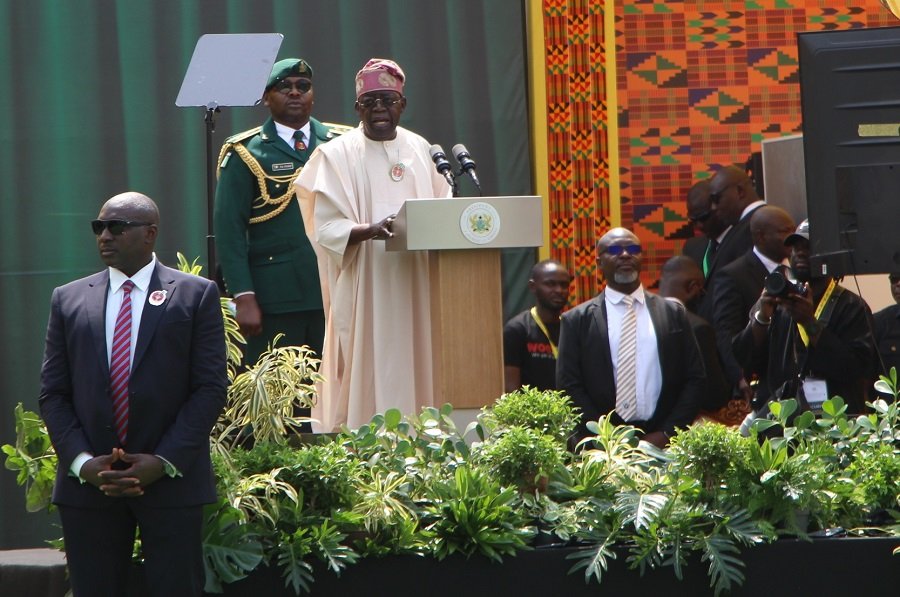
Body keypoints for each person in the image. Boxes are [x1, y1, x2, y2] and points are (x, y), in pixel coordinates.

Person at [39, 192, 227, 596]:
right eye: (99, 227)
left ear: (150, 234)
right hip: (91, 486)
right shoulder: (68, 299)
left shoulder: (196, 295)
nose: (104, 236)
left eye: (117, 227)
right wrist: (85, 464)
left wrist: (163, 461)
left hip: (171, 481)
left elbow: (210, 388)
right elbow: (53, 394)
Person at [295, 58, 451, 431]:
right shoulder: (335, 154)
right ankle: (365, 438)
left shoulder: (422, 150)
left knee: (419, 353)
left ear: (403, 104)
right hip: (366, 280)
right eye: (370, 102)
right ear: (357, 108)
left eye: (387, 100)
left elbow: (445, 206)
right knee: (365, 356)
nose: (379, 108)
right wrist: (367, 230)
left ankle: (425, 435)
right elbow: (324, 225)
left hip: (416, 281)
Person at [214, 58, 348, 365]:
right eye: (284, 87)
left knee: (335, 388)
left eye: (303, 86)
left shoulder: (340, 143)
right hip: (276, 296)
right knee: (282, 392)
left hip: (336, 288)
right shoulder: (246, 151)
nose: (295, 93)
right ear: (266, 97)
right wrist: (243, 295)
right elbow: (229, 231)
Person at [556, 228, 704, 448]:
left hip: (664, 443)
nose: (625, 255)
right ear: (599, 263)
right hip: (602, 447)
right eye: (614, 250)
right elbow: (568, 385)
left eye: (633, 249)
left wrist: (667, 433)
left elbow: (695, 377)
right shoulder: (577, 320)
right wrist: (603, 435)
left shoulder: (672, 313)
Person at [732, 219, 877, 414]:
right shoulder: (778, 304)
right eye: (795, 247)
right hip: (782, 423)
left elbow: (854, 369)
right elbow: (744, 359)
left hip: (836, 422)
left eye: (808, 247)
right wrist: (762, 318)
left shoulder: (852, 306)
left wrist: (809, 322)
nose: (799, 252)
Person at [710, 206, 795, 404]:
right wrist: (740, 377)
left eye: (793, 230)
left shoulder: (797, 271)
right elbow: (725, 332)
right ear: (761, 236)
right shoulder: (733, 275)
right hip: (760, 383)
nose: (792, 237)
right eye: (784, 232)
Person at [658, 256, 730, 412]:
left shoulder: (637, 321)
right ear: (692, 287)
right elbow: (714, 395)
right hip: (685, 425)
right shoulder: (697, 328)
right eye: (702, 291)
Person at [698, 165, 766, 322]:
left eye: (716, 199)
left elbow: (748, 290)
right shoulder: (740, 227)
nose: (714, 208)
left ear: (740, 191)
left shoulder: (754, 226)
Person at [503, 259, 572, 393]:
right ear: (532, 286)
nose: (559, 290)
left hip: (569, 411)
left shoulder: (572, 327)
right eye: (550, 284)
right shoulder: (517, 329)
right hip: (533, 412)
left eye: (564, 285)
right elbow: (511, 390)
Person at [682, 180, 730, 281]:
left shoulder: (743, 241)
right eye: (693, 220)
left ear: (718, 206)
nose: (699, 225)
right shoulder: (691, 248)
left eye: (704, 218)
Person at [873, 272, 900, 387]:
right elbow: (865, 379)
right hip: (890, 403)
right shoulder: (878, 322)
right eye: (894, 279)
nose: (898, 284)